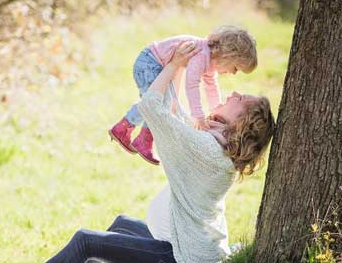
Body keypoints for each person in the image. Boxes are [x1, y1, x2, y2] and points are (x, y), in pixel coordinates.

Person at [0, 41, 274, 263]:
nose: (233, 93)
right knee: (121, 224)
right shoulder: (217, 146)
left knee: (87, 240)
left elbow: (152, 106)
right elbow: (176, 115)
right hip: (193, 246)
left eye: (241, 100)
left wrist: (175, 64)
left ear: (241, 123)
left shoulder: (206, 148)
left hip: (184, 259)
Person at [109, 26, 257, 165]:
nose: (233, 73)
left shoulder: (209, 60)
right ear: (229, 56)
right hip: (149, 63)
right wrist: (198, 115)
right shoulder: (202, 55)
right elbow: (191, 85)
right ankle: (136, 135)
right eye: (236, 68)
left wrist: (215, 109)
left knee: (158, 103)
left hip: (154, 63)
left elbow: (211, 86)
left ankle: (134, 134)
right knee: (156, 103)